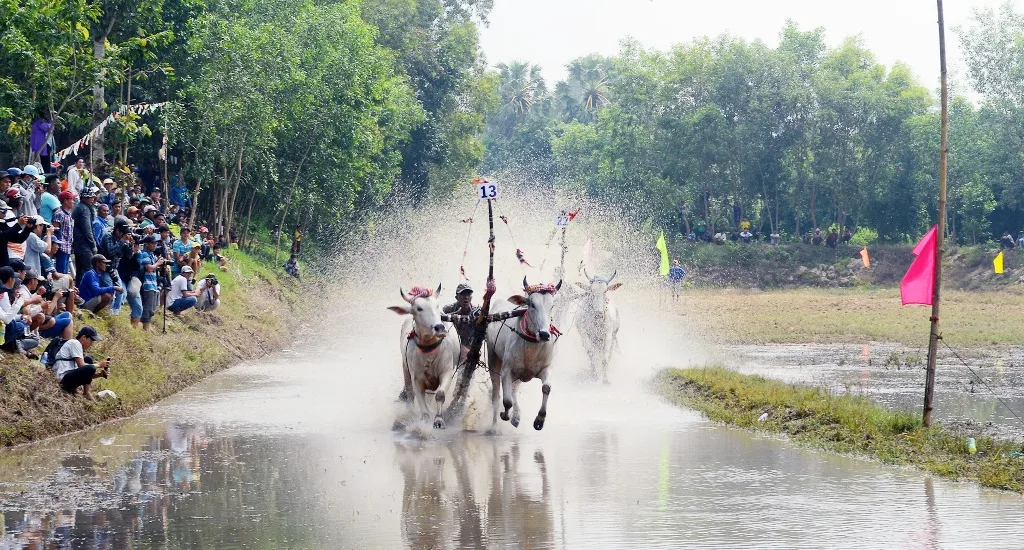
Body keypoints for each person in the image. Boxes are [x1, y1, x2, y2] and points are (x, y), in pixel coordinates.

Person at [52, 326, 110, 399]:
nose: (92, 343)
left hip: (67, 377)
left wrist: (99, 374)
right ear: (83, 337)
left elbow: (84, 375)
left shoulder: (78, 347)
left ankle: (86, 392)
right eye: (91, 340)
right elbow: (82, 366)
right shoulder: (75, 343)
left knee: (88, 360)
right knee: (90, 366)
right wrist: (98, 365)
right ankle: (86, 393)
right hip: (62, 378)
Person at [0, 266, 38, 357]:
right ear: (10, 280)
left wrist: (21, 316)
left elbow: (8, 314)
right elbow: (7, 319)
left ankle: (18, 344)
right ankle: (14, 345)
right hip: (5, 327)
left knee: (32, 336)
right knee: (18, 325)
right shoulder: (4, 294)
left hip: (5, 325)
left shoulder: (4, 293)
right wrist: (19, 303)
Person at [137, 234, 166, 331]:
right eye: (152, 243)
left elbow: (154, 268)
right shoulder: (144, 254)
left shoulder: (152, 255)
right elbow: (149, 268)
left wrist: (160, 265)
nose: (155, 245)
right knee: (147, 308)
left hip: (153, 284)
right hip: (147, 284)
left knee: (151, 309)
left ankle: (146, 328)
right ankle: (145, 329)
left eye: (155, 243)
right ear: (146, 244)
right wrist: (158, 263)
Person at [442, 283, 479, 357]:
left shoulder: (477, 311)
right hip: (449, 347)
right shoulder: (447, 309)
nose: (466, 297)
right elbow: (438, 320)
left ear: (471, 297)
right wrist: (455, 314)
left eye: (468, 294)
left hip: (468, 349)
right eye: (462, 294)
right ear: (456, 297)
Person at [71, 188, 98, 284]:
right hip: (84, 244)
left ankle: (79, 293)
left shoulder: (79, 207)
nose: (92, 199)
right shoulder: (84, 209)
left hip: (78, 243)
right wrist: (93, 244)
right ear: (84, 198)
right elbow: (87, 229)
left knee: (80, 271)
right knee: (89, 270)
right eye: (90, 197)